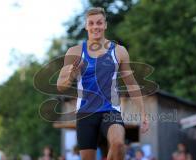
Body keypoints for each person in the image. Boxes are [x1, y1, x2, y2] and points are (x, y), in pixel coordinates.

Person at [57, 7, 149, 160]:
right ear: (86, 26)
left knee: (118, 144)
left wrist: (143, 113)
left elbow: (131, 84)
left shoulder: (119, 51)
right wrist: (71, 74)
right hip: (86, 113)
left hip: (111, 110)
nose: (95, 27)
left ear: (105, 25)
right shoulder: (75, 52)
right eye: (91, 23)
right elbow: (61, 86)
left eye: (99, 23)